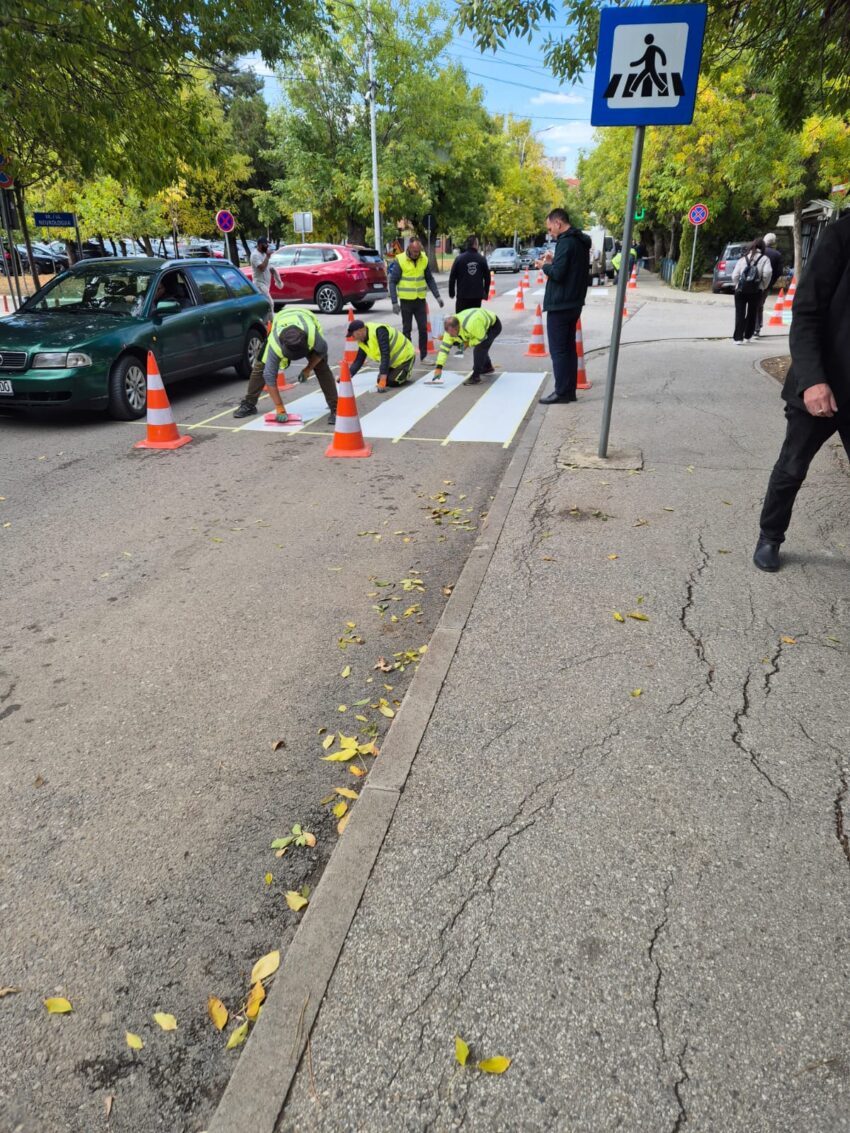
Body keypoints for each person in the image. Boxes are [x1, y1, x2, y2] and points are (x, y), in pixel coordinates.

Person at [753, 213, 850, 572]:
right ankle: (770, 537)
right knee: (792, 467)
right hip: (823, 383)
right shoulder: (841, 235)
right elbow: (807, 312)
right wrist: (812, 381)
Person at [233, 308, 337, 424]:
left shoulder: (313, 336)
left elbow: (322, 351)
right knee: (260, 367)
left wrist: (308, 369)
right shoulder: (275, 344)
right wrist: (279, 407)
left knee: (322, 367)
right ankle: (249, 404)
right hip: (281, 319)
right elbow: (269, 376)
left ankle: (336, 408)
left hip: (305, 316)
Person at [535, 208, 591, 405]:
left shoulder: (566, 242)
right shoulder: (580, 241)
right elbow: (567, 269)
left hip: (561, 304)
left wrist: (544, 266)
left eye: (550, 228)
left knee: (559, 350)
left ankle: (561, 392)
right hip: (574, 302)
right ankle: (569, 391)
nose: (550, 233)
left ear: (558, 223)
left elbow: (558, 274)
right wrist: (553, 262)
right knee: (568, 349)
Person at [387, 237, 443, 361]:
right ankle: (408, 356)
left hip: (420, 301)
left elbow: (429, 279)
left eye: (418, 251)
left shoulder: (424, 259)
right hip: (406, 301)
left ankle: (424, 356)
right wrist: (394, 302)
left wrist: (437, 296)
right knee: (407, 330)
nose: (416, 254)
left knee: (423, 329)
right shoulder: (401, 260)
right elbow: (392, 281)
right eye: (414, 251)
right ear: (409, 248)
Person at [432, 308, 501, 386]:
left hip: (492, 326)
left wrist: (468, 343)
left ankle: (475, 377)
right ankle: (487, 367)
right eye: (448, 333)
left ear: (457, 328)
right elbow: (444, 349)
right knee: (477, 346)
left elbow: (481, 338)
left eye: (451, 333)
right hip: (476, 326)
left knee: (479, 349)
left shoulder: (471, 324)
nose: (450, 335)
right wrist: (439, 367)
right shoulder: (449, 331)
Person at [448, 236, 491, 356]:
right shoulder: (481, 259)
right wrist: (485, 292)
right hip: (476, 295)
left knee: (460, 318)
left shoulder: (459, 259)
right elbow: (487, 278)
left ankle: (459, 340)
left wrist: (451, 292)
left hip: (463, 294)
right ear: (475, 245)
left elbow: (452, 276)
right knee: (474, 317)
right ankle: (474, 337)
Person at [348, 318, 416, 393]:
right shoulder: (362, 341)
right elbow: (359, 360)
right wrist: (347, 376)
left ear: (360, 331)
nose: (353, 338)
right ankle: (393, 372)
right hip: (393, 362)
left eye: (353, 335)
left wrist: (383, 380)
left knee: (392, 381)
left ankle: (407, 371)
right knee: (380, 380)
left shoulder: (380, 331)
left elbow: (385, 355)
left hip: (405, 357)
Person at [731, 238, 771, 343]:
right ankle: (748, 336)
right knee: (752, 313)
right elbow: (767, 273)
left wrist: (738, 285)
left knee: (739, 313)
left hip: (740, 290)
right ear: (762, 248)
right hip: (756, 291)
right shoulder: (765, 259)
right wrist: (763, 286)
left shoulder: (743, 259)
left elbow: (735, 275)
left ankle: (738, 338)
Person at [755, 232, 784, 336]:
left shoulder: (758, 252)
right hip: (767, 284)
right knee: (760, 303)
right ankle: (757, 326)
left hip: (754, 282)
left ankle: (756, 326)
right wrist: (772, 281)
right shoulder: (777, 254)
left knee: (755, 304)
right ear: (774, 242)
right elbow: (779, 272)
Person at [250, 237, 282, 321]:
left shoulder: (263, 254)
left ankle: (264, 322)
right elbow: (262, 268)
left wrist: (273, 271)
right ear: (260, 245)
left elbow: (266, 266)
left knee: (263, 306)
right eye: (265, 244)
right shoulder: (255, 255)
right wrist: (267, 257)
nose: (267, 246)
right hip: (259, 284)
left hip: (265, 284)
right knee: (269, 303)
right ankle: (271, 322)